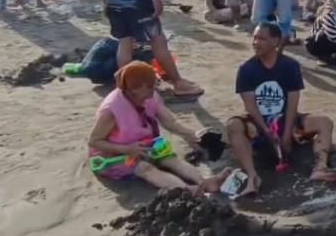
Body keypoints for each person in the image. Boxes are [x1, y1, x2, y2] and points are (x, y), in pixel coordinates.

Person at [227, 23, 336, 196]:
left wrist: (287, 134)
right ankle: (252, 176)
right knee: (233, 125)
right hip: (259, 123)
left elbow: (293, 103)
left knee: (324, 122)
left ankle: (320, 166)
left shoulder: (290, 66)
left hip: (286, 119)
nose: (256, 42)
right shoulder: (246, 69)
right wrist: (266, 132)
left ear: (275, 41)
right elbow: (250, 106)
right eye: (255, 38)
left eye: (262, 38)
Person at [88, 61, 230, 191]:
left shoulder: (152, 96)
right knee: (146, 168)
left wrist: (193, 134)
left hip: (144, 145)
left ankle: (203, 182)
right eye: (148, 89)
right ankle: (189, 190)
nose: (152, 93)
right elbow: (94, 141)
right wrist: (126, 149)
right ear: (132, 90)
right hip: (112, 155)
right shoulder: (111, 110)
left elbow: (169, 122)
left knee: (171, 159)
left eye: (153, 87)